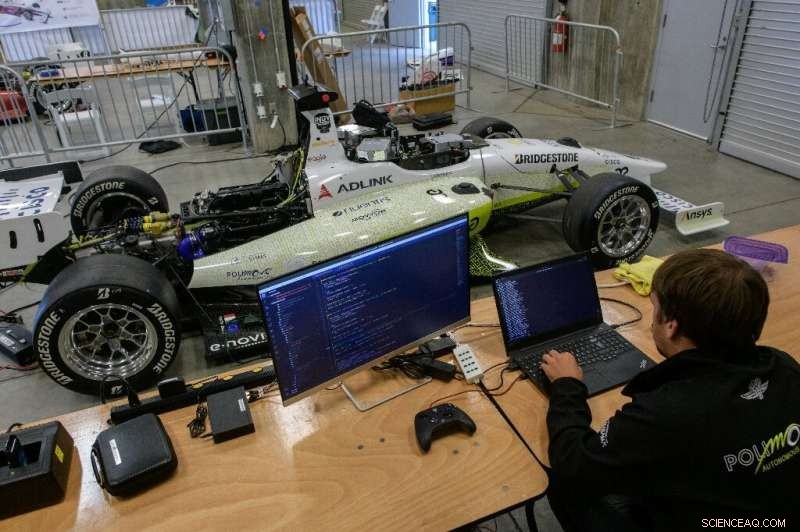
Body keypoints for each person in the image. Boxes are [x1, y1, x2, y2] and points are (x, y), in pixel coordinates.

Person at [539, 249, 800, 532]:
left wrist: (567, 386)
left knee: (560, 480)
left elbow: (573, 461)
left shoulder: (669, 413)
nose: (652, 320)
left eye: (655, 307)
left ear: (672, 326)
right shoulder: (783, 366)